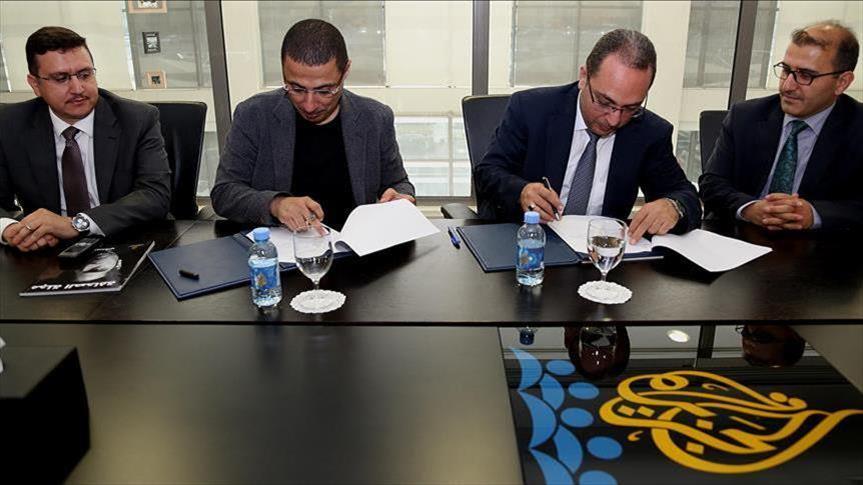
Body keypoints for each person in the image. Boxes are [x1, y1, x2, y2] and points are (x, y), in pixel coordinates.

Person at [474, 29, 700, 243]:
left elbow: (685, 194)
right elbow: (488, 173)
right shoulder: (531, 109)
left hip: (601, 254)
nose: (614, 119)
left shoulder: (650, 132)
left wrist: (674, 207)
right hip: (528, 245)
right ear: (584, 77)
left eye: (631, 108)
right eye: (604, 102)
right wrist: (522, 192)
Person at [211, 19, 414, 231]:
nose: (309, 105)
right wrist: (276, 204)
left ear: (345, 71)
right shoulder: (254, 115)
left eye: (324, 91)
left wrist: (400, 198)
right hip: (280, 248)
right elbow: (224, 193)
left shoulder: (375, 118)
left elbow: (399, 183)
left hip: (353, 245)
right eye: (296, 89)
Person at [0, 26, 171, 252]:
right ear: (35, 84)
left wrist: (77, 224)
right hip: (45, 249)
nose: (78, 88)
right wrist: (11, 229)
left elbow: (155, 195)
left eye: (85, 74)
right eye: (61, 78)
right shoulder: (9, 124)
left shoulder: (137, 119)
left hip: (127, 241)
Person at [700, 21, 862, 231]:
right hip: (741, 235)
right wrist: (750, 208)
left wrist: (813, 214)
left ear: (842, 82)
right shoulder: (745, 116)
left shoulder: (857, 126)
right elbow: (712, 184)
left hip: (822, 245)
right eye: (786, 70)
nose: (787, 86)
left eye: (805, 75)